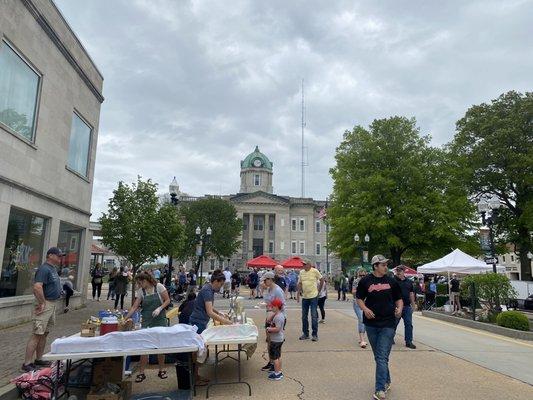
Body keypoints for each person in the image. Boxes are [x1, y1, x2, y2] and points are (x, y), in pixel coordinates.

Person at [356, 255, 403, 400]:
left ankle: (379, 389)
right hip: (371, 324)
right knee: (379, 357)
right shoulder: (365, 281)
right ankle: (386, 380)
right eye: (383, 265)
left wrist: (399, 309)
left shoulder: (391, 281)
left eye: (386, 264)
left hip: (388, 323)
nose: (386, 267)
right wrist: (365, 309)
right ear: (375, 266)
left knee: (381, 356)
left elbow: (399, 299)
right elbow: (359, 299)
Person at [23, 247, 63, 372]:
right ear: (50, 255)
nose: (60, 258)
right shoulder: (44, 269)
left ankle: (39, 359)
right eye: (58, 255)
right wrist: (42, 303)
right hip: (45, 305)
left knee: (44, 333)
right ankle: (27, 363)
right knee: (37, 334)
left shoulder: (53, 269)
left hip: (52, 304)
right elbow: (37, 287)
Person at [125, 272, 170, 383]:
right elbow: (135, 306)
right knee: (145, 347)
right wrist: (125, 318)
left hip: (160, 320)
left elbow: (167, 300)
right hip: (146, 321)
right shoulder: (141, 292)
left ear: (147, 280)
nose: (140, 284)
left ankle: (161, 370)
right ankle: (141, 372)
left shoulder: (159, 287)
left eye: (141, 282)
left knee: (160, 346)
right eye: (139, 282)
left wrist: (160, 308)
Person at [189, 269, 232, 334]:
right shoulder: (207, 291)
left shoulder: (209, 288)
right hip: (198, 322)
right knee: (200, 342)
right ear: (215, 281)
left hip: (199, 320)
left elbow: (208, 306)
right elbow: (210, 312)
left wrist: (218, 312)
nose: (221, 287)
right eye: (221, 284)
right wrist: (225, 321)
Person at [259, 271, 287, 372]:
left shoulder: (277, 290)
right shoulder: (269, 289)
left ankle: (275, 363)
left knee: (274, 341)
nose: (264, 282)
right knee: (269, 340)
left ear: (270, 280)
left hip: (276, 317)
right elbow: (267, 301)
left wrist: (273, 315)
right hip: (270, 315)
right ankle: (271, 362)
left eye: (265, 280)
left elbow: (281, 305)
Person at [297, 260, 325, 341]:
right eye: (303, 264)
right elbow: (300, 283)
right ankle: (305, 334)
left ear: (309, 264)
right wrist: (298, 294)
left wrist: (319, 291)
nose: (303, 265)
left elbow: (322, 280)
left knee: (314, 316)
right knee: (304, 316)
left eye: (305, 264)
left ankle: (315, 334)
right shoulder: (301, 272)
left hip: (313, 296)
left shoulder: (315, 271)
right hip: (305, 297)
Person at [394, 266, 417, 349]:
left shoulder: (409, 282)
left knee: (408, 324)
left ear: (404, 272)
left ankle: (409, 341)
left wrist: (413, 304)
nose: (398, 272)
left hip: (407, 306)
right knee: (394, 323)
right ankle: (390, 338)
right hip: (396, 306)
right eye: (397, 271)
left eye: (400, 271)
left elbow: (411, 294)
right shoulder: (393, 281)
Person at [266, 298, 285, 381]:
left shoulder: (279, 317)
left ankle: (277, 373)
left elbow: (277, 329)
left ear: (276, 307)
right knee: (278, 356)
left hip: (276, 340)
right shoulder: (278, 315)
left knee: (274, 357)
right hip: (278, 339)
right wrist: (274, 314)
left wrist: (269, 329)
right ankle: (278, 370)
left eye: (272, 307)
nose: (271, 308)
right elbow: (268, 320)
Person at [352, 269, 368, 348]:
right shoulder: (356, 281)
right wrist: (360, 289)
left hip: (366, 303)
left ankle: (362, 337)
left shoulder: (368, 281)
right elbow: (353, 291)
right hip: (357, 303)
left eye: (363, 275)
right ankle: (362, 339)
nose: (362, 277)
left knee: (365, 320)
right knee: (361, 319)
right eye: (360, 275)